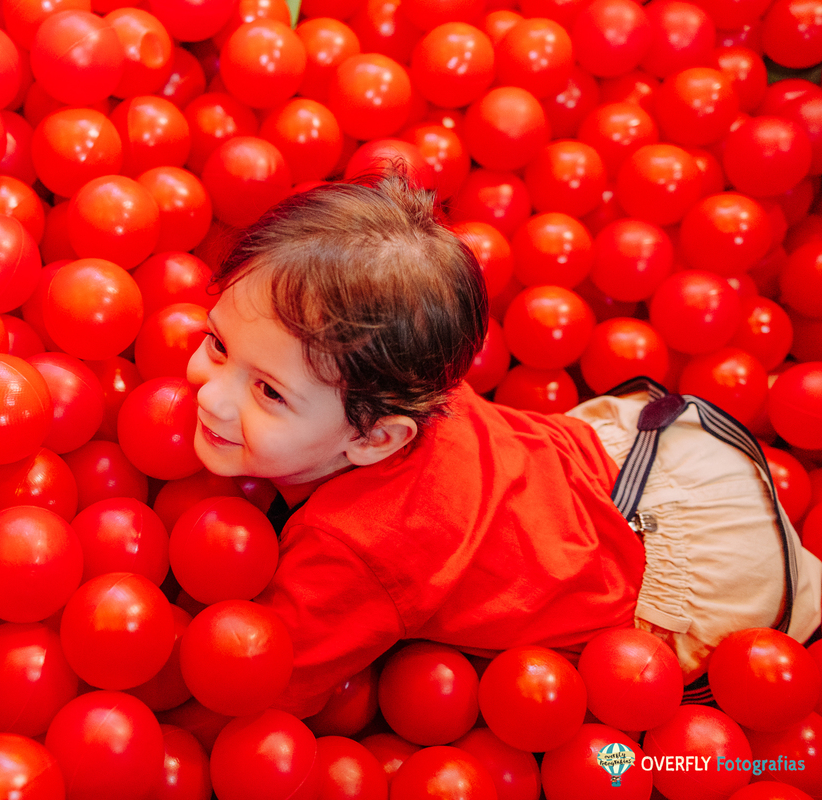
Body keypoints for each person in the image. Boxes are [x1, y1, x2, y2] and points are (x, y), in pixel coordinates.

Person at [184, 169, 822, 719]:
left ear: (377, 438)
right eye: (217, 344)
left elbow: (266, 684)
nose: (210, 395)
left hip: (695, 573)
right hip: (657, 451)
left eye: (268, 392)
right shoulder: (404, 375)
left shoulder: (352, 550)